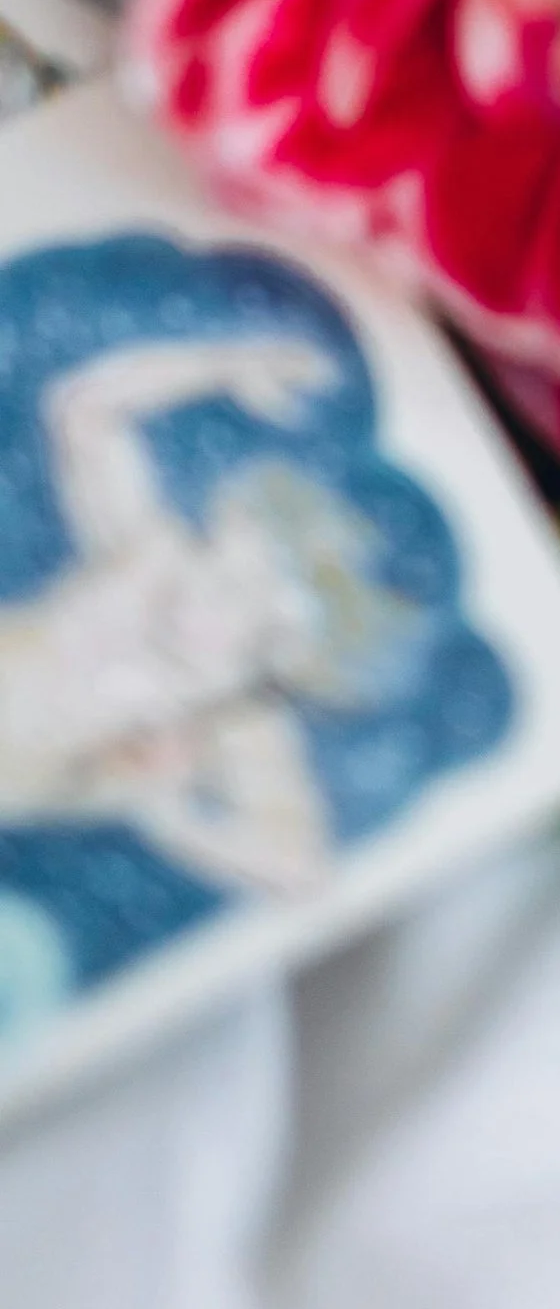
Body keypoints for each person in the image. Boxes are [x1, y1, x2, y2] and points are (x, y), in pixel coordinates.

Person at [0, 327, 415, 903]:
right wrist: (225, 364)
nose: (216, 613)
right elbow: (85, 408)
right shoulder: (148, 552)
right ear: (225, 534)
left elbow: (302, 870)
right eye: (229, 577)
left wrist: (168, 816)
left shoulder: (233, 717)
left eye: (260, 629)